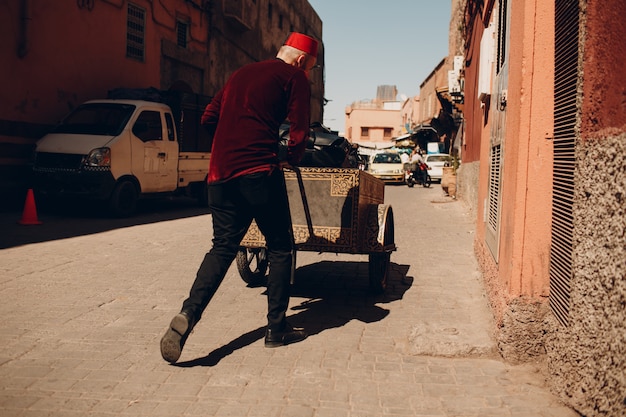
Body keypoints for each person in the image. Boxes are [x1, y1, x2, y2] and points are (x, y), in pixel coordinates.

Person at [160, 32, 319, 364]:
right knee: (279, 245)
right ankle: (276, 329)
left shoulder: (240, 74)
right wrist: (292, 155)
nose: (308, 73)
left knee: (222, 247)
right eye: (310, 68)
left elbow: (207, 118)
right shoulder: (294, 77)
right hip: (259, 172)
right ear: (302, 60)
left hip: (219, 176)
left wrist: (227, 146)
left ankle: (188, 315)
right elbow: (300, 127)